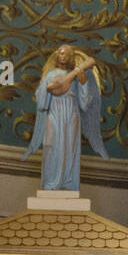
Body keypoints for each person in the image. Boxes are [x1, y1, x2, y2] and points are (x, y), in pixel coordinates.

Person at [23, 44, 107, 191]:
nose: (63, 56)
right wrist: (47, 87)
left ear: (70, 57)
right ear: (57, 55)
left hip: (71, 114)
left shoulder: (75, 76)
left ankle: (68, 182)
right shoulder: (51, 75)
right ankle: (50, 182)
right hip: (54, 114)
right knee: (51, 145)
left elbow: (85, 103)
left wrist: (83, 83)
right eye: (60, 53)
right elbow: (42, 98)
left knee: (70, 147)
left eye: (66, 54)